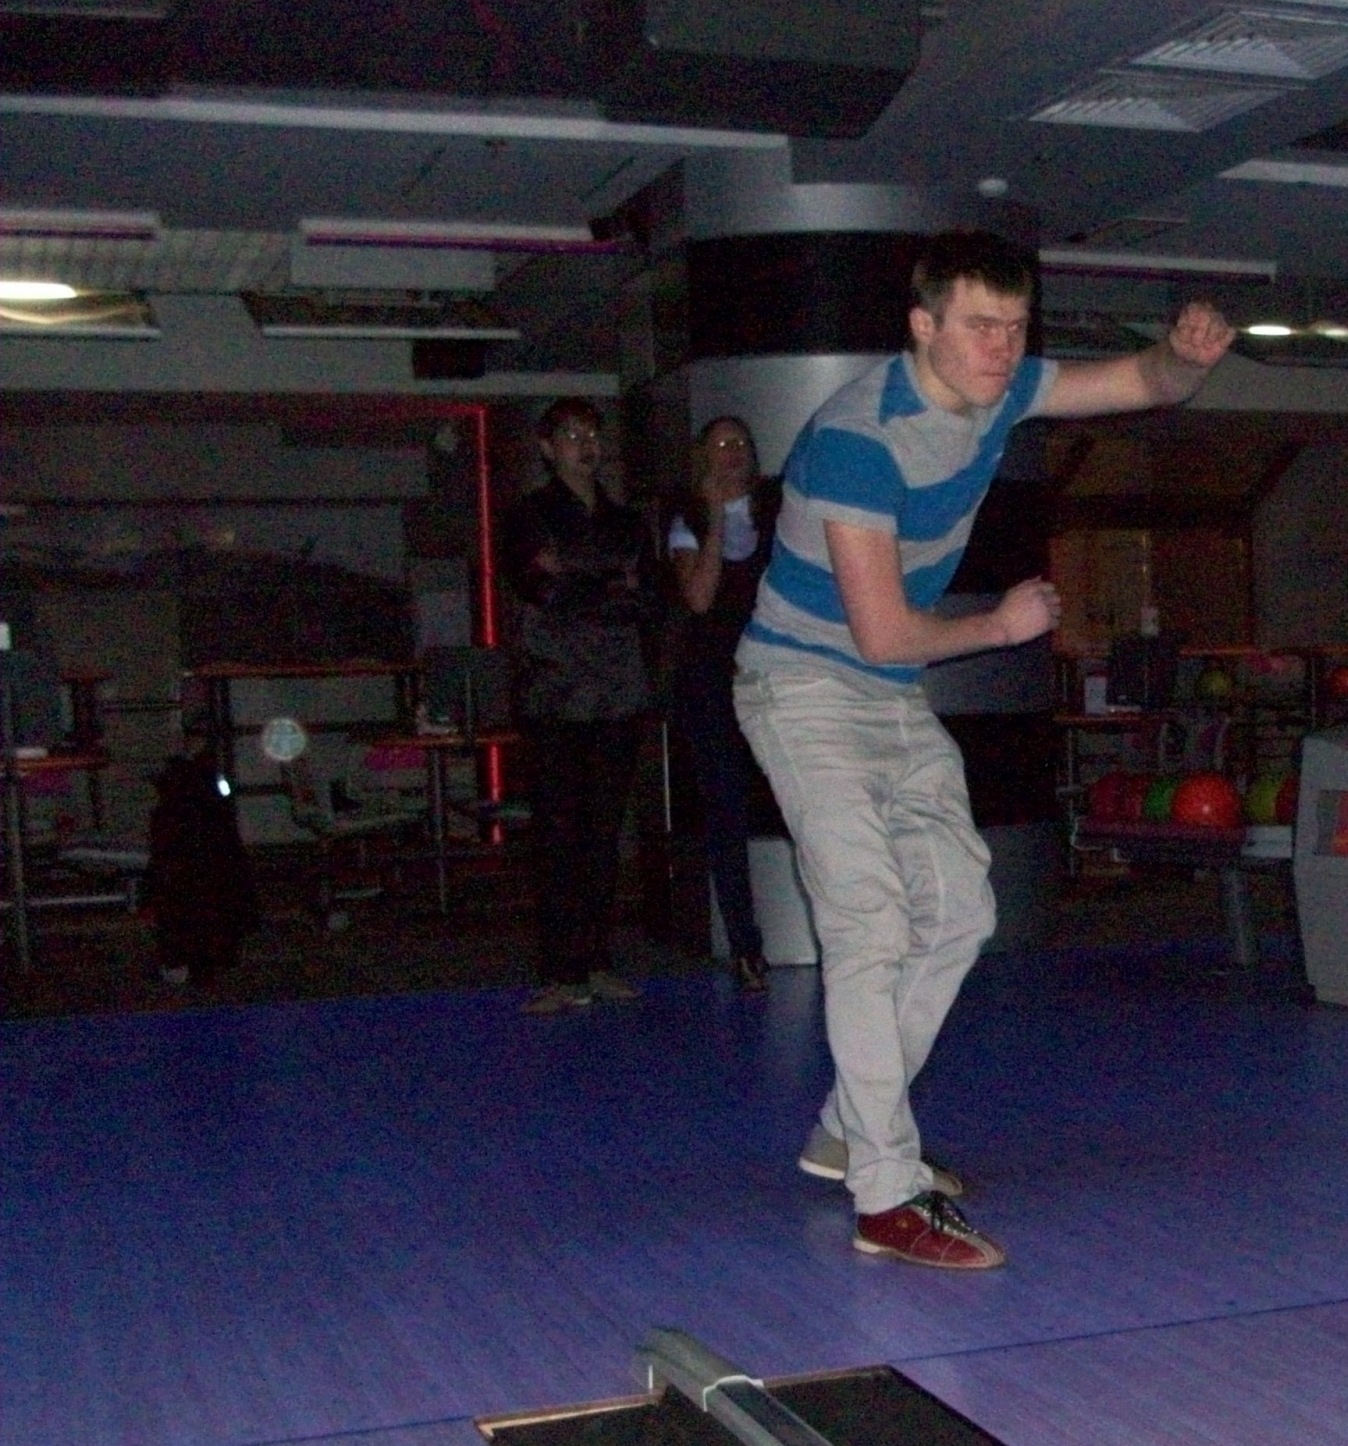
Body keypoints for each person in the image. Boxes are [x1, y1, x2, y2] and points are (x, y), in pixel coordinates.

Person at [735, 229, 1233, 1271]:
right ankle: (885, 1195)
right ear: (923, 326)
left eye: (1014, 328)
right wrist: (1001, 627)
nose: (1001, 349)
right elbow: (882, 633)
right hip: (802, 687)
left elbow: (1143, 382)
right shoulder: (857, 440)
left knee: (961, 908)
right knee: (869, 919)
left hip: (886, 694)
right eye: (978, 327)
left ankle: (849, 1129)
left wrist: (1184, 357)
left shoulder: (1002, 392)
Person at [501, 398, 659, 1015]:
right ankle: (559, 970)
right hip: (555, 693)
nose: (586, 445)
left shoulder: (627, 522)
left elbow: (648, 599)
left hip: (618, 691)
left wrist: (575, 572)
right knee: (558, 833)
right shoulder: (527, 516)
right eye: (572, 435)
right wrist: (609, 580)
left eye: (592, 434)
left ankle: (596, 960)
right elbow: (540, 589)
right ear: (547, 448)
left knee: (603, 832)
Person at [664, 416, 780, 993]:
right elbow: (699, 597)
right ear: (702, 457)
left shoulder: (778, 508)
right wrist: (713, 519)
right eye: (720, 445)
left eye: (740, 442)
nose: (732, 452)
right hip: (712, 681)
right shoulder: (686, 518)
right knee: (726, 811)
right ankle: (745, 947)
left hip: (777, 673)